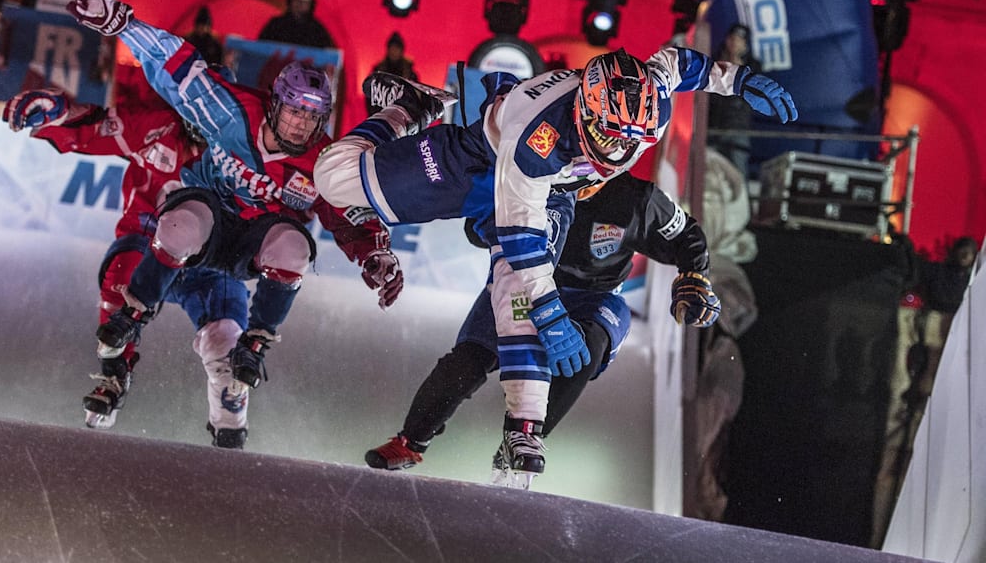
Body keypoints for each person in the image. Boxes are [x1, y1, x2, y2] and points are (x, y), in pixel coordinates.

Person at [314, 46, 796, 481]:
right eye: (607, 135)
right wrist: (549, 312)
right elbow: (519, 237)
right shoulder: (539, 140)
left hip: (557, 213)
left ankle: (525, 431)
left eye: (632, 140)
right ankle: (410, 108)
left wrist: (736, 80)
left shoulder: (645, 125)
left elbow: (678, 65)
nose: (617, 151)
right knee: (333, 178)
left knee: (530, 308)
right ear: (583, 111)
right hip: (484, 162)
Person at [63, 0, 403, 445]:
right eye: (295, 112)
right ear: (274, 103)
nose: (301, 124)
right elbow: (175, 67)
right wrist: (123, 24)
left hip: (236, 254)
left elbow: (348, 211)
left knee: (287, 259)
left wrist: (373, 254)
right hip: (187, 229)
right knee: (160, 239)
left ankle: (237, 405)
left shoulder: (320, 161)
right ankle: (120, 351)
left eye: (312, 117)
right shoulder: (223, 113)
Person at [365, 172, 718, 488]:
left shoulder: (638, 199)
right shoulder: (528, 174)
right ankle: (411, 441)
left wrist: (694, 276)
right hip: (526, 285)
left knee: (584, 352)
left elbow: (686, 233)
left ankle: (524, 438)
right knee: (469, 360)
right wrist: (496, 215)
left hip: (595, 297)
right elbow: (476, 230)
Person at [2, 87, 263, 448]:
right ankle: (114, 372)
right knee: (122, 274)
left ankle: (230, 428)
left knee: (226, 339)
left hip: (209, 262)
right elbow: (95, 127)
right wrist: (58, 112)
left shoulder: (247, 155)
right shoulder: (155, 127)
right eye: (200, 111)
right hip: (148, 246)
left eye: (217, 115)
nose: (206, 125)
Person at [706, 24, 761, 176]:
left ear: (745, 44)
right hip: (712, 126)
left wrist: (737, 64)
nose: (734, 43)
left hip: (737, 129)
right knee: (708, 171)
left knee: (738, 174)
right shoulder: (714, 61)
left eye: (739, 40)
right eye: (732, 39)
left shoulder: (754, 66)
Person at [256, 0, 335, 49]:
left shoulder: (317, 30)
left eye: (305, 2)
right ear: (290, 1)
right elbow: (261, 48)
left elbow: (326, 54)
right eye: (297, 0)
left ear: (310, 5)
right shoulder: (275, 24)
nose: (300, 4)